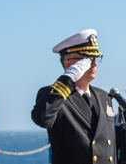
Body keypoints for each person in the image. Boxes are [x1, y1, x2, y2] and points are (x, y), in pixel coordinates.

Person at [31, 29, 116, 164]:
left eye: (95, 58)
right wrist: (67, 79)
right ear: (68, 64)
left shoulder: (104, 97)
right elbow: (42, 118)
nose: (94, 64)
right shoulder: (54, 96)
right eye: (87, 59)